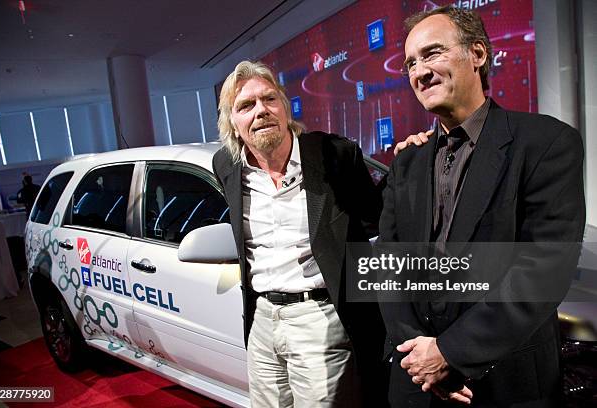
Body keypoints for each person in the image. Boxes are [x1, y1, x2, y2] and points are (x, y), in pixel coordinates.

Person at [377, 5, 585, 407]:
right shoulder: (405, 163)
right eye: (411, 63)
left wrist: (451, 353)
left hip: (504, 384)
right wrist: (418, 356)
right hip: (415, 382)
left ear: (478, 54)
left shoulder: (546, 143)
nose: (420, 72)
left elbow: (543, 270)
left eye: (433, 53)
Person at [213, 60, 388, 407]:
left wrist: (413, 160)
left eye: (269, 99)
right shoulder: (226, 166)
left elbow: (377, 218)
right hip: (261, 319)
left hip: (320, 317)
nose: (260, 111)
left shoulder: (334, 155)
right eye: (246, 106)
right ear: (233, 123)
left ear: (285, 106)